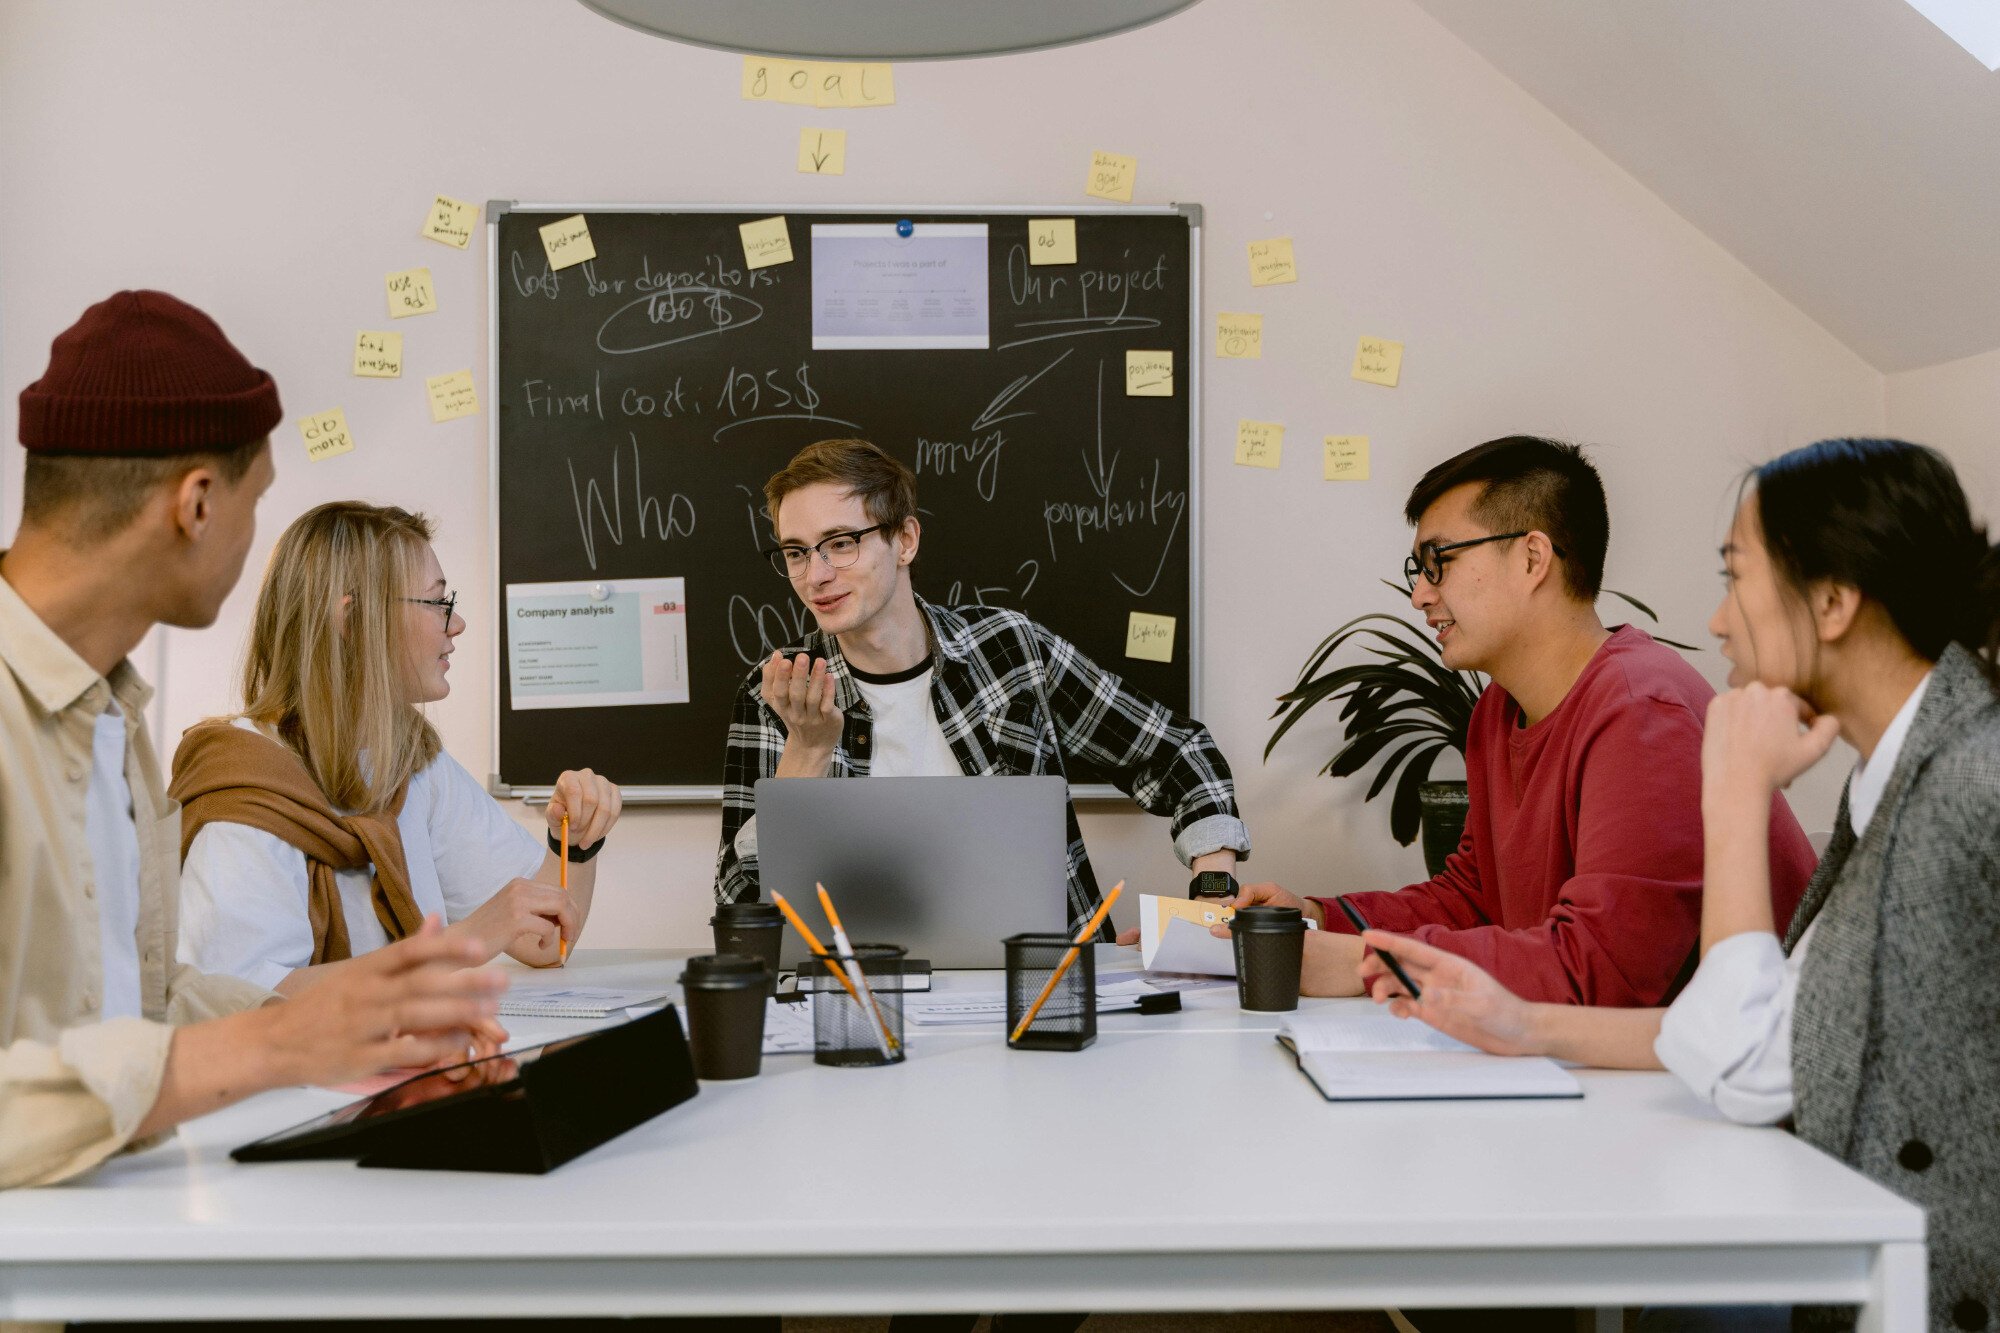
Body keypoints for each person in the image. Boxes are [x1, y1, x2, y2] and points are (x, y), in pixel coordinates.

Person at [1361, 438, 2000, 1333]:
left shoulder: (1966, 784)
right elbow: (1788, 1034)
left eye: (1738, 579)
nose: (1717, 622)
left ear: (1834, 601)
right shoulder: (1901, 774)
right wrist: (1519, 1021)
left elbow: (1742, 1060)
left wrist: (1735, 790)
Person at [0, 291, 503, 1191]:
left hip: (113, 1245)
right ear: (197, 503)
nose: (252, 539)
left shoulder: (113, 718)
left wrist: (354, 1014)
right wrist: (271, 1039)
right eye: (255, 500)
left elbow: (133, 1008)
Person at [1230, 436, 1817, 1002]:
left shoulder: (1639, 710)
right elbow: (1474, 898)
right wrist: (1316, 919)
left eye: (1440, 562)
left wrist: (1374, 964)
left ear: (1534, 557)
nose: (1420, 597)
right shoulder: (1497, 710)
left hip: (1728, 1084)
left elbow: (1603, 970)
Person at [715, 436, 1250, 936]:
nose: (816, 575)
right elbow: (741, 911)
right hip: (862, 995)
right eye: (796, 552)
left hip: (1045, 984)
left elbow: (1180, 754)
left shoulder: (1010, 650)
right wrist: (806, 754)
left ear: (905, 540)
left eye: (840, 543)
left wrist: (1212, 891)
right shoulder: (779, 692)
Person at [173, 501, 623, 993]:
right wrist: (458, 944)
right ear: (353, 620)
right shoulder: (243, 783)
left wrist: (574, 842)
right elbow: (236, 1002)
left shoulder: (411, 764)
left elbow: (545, 942)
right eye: (436, 603)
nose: (456, 625)